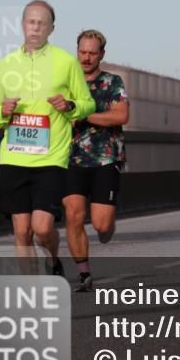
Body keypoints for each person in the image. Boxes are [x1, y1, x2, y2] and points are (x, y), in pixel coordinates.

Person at [0, 1, 95, 274]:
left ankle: (53, 259)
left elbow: (87, 103)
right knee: (21, 233)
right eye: (31, 21)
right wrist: (1, 112)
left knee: (42, 229)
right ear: (22, 24)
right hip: (13, 158)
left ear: (51, 29)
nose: (36, 26)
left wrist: (69, 106)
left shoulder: (66, 62)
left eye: (42, 22)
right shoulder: (3, 65)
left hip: (50, 159)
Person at [62, 30, 129, 292]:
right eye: (82, 52)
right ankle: (84, 274)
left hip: (106, 159)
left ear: (102, 54)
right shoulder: (65, 84)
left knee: (101, 225)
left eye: (92, 53)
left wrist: (84, 115)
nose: (86, 58)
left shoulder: (112, 82)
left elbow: (121, 115)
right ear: (76, 51)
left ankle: (107, 225)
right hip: (71, 158)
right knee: (73, 216)